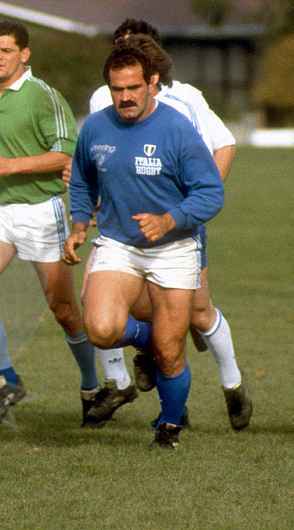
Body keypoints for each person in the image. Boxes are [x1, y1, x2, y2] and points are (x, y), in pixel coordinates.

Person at [85, 21, 252, 431]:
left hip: (177, 230)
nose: (125, 88)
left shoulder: (186, 98)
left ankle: (232, 385)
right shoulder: (101, 102)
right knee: (111, 309)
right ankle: (132, 381)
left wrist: (188, 206)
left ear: (153, 68)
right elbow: (97, 158)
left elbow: (224, 144)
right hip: (120, 229)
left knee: (196, 313)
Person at [64, 43, 225, 449]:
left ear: (151, 84)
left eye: (134, 87)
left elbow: (210, 192)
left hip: (174, 248)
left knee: (171, 354)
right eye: (118, 89)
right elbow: (82, 180)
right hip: (119, 244)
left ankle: (169, 426)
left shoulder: (176, 129)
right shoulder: (95, 128)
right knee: (100, 330)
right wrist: (80, 222)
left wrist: (170, 219)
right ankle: (146, 336)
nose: (126, 97)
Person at [0, 20, 107, 426]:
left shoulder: (44, 96)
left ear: (24, 54)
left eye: (6, 50)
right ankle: (8, 380)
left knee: (63, 309)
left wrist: (10, 167)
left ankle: (91, 386)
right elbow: (3, 153)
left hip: (42, 210)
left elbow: (68, 154)